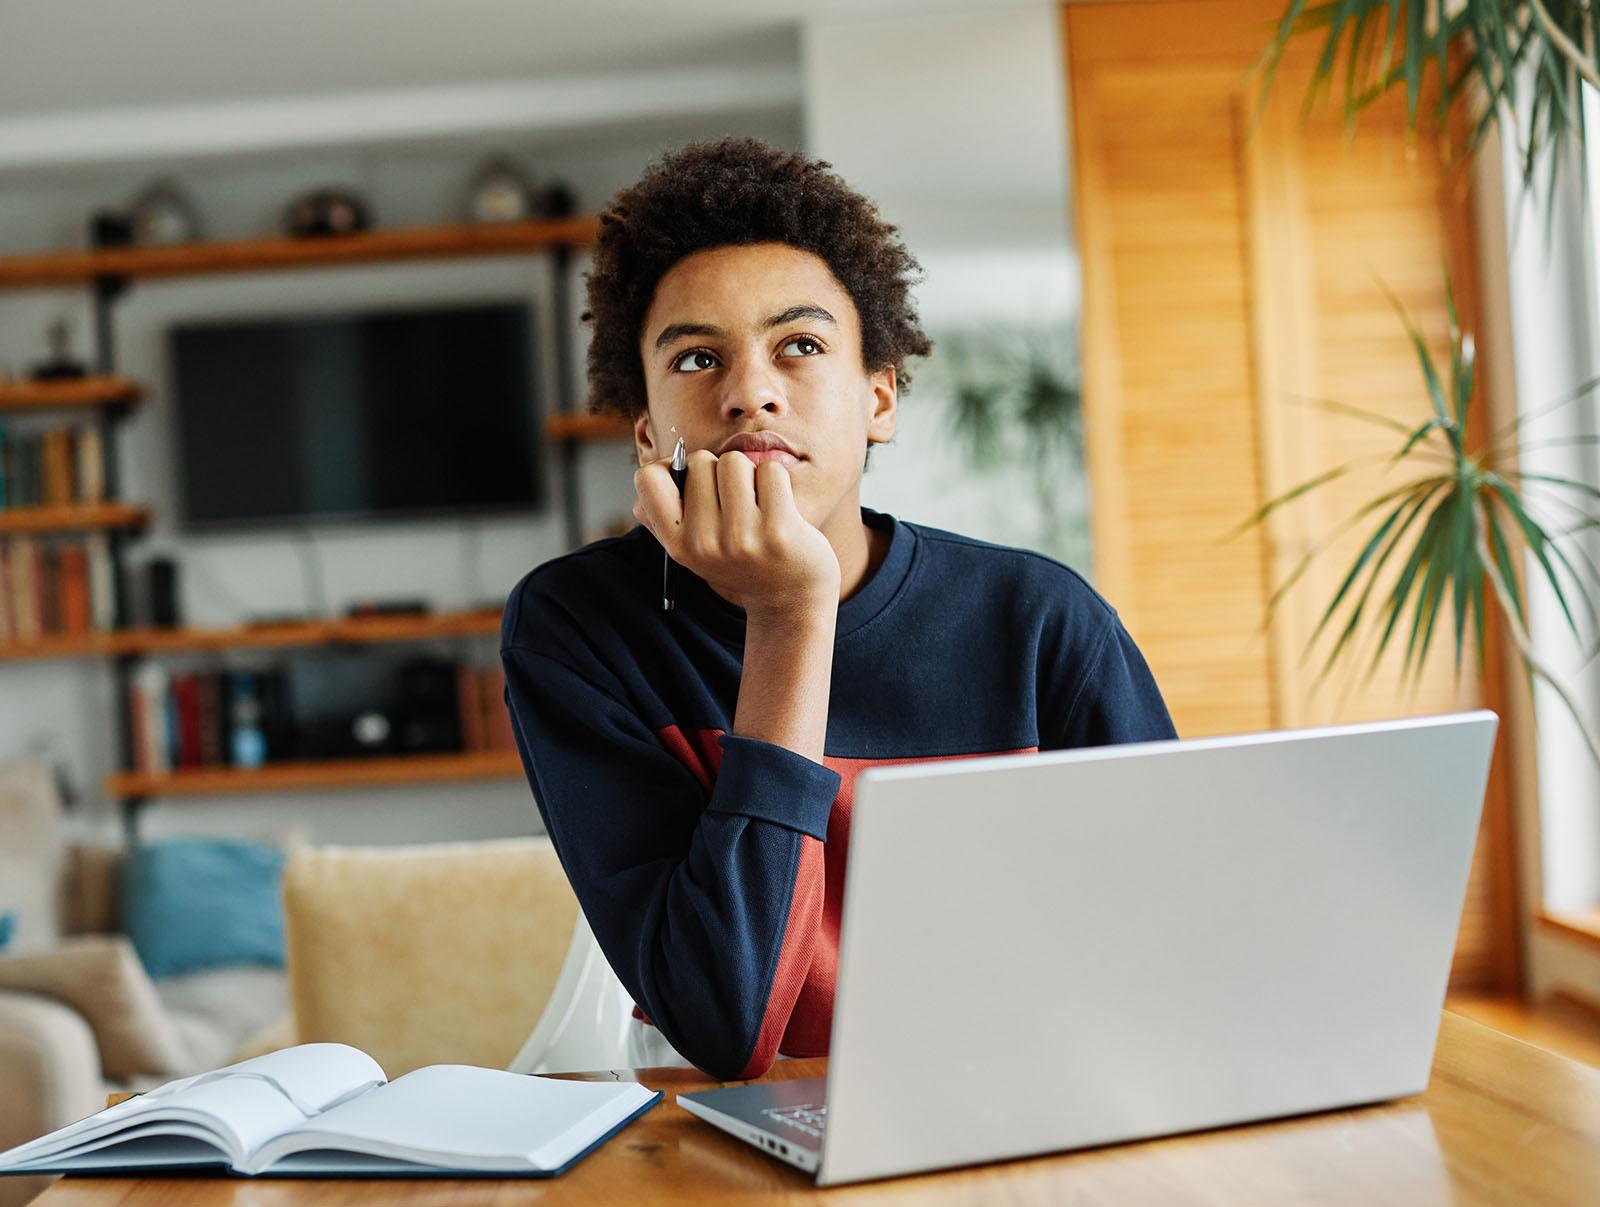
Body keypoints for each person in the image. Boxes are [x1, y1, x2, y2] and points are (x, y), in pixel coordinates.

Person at [500, 137, 1177, 1081]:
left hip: (1026, 1091)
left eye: (801, 346)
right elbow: (725, 1024)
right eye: (697, 357)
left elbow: (1175, 949)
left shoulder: (1040, 620)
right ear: (649, 430)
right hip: (726, 1134)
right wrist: (789, 620)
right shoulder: (579, 625)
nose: (750, 392)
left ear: (878, 398)